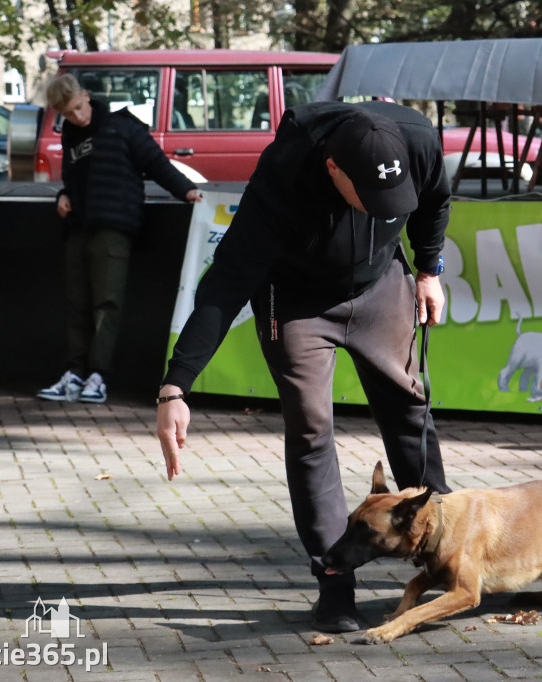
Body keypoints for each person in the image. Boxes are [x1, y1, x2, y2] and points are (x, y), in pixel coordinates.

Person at [156, 100, 452, 633]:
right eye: (371, 198)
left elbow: (434, 200)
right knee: (312, 428)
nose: (382, 208)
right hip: (296, 300)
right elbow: (223, 288)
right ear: (334, 171)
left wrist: (429, 268)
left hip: (380, 281)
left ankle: (449, 551)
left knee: (408, 405)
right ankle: (336, 584)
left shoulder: (417, 139)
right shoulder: (281, 182)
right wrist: (176, 388)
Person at [37, 74, 202, 404]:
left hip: (114, 226)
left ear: (86, 96)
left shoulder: (123, 127)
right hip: (80, 224)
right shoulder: (72, 133)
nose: (77, 117)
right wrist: (65, 194)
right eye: (69, 114)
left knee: (105, 304)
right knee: (78, 304)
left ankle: (97, 375)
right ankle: (76, 373)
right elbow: (74, 174)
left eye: (79, 108)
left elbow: (157, 164)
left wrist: (186, 191)